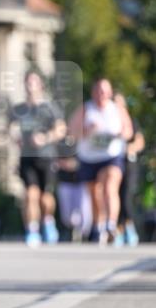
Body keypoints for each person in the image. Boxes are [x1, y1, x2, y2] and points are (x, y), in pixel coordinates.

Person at [68, 78, 132, 244]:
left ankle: (111, 225)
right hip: (89, 158)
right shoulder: (85, 109)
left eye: (104, 91)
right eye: (98, 91)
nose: (101, 94)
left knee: (109, 187)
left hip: (111, 156)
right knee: (94, 194)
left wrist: (118, 134)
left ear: (109, 93)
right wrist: (86, 131)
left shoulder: (117, 109)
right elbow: (72, 132)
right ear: (93, 93)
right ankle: (99, 226)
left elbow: (128, 131)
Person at [9, 71, 66, 247]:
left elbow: (61, 129)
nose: (30, 85)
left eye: (33, 82)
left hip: (46, 157)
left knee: (45, 198)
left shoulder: (49, 108)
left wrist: (45, 138)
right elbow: (10, 128)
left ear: (41, 85)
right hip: (26, 157)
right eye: (27, 82)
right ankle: (32, 230)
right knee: (30, 194)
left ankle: (48, 221)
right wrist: (15, 136)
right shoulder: (19, 109)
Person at [114, 93, 145, 246]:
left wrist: (128, 147)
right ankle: (118, 230)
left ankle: (129, 227)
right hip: (113, 165)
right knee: (115, 196)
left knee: (126, 197)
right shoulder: (109, 123)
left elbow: (140, 141)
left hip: (129, 165)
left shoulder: (131, 121)